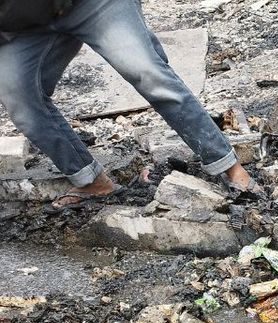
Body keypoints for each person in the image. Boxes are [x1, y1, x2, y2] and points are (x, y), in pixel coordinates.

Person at [0, 0, 259, 210]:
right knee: (18, 95)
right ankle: (90, 181)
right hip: (25, 26)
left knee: (146, 71)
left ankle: (228, 167)